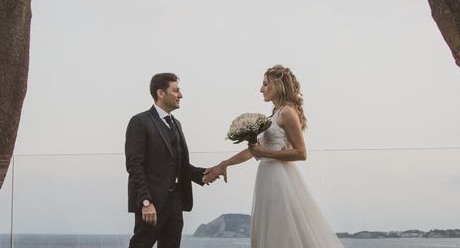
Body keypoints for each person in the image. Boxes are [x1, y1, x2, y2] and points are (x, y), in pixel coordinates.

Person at [203, 65, 343, 248]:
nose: (261, 89)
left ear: (278, 85)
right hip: (266, 178)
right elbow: (253, 150)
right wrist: (224, 164)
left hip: (280, 179)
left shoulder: (287, 112)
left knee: (282, 233)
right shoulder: (273, 115)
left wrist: (265, 153)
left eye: (265, 84)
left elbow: (301, 153)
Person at [125, 72, 214, 248]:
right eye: (176, 90)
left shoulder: (176, 124)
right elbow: (134, 165)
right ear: (160, 93)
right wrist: (146, 202)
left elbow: (178, 164)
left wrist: (206, 173)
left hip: (176, 203)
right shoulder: (140, 122)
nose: (180, 95)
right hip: (152, 204)